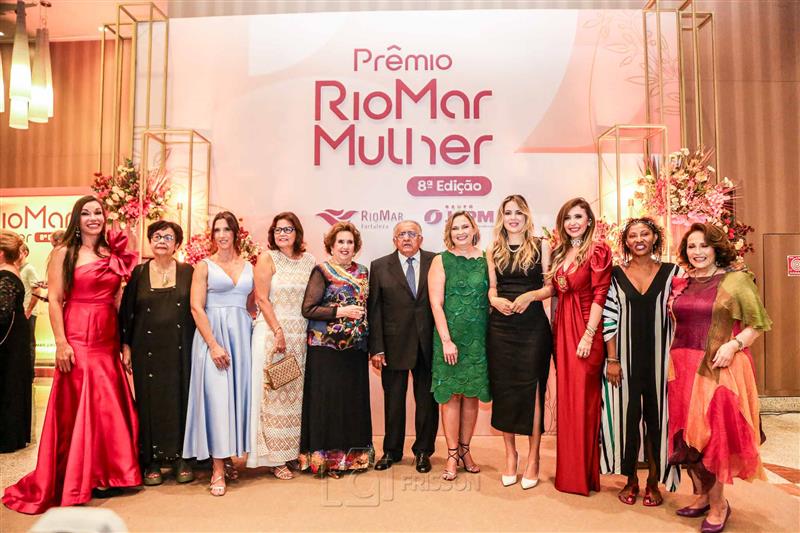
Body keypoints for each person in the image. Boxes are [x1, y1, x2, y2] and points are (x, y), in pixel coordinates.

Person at [3, 196, 141, 514]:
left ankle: (106, 473)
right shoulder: (64, 253)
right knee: (82, 402)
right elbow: (54, 299)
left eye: (98, 213)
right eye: (86, 213)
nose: (93, 218)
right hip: (79, 332)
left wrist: (124, 340)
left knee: (107, 403)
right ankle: (80, 474)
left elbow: (118, 297)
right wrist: (61, 342)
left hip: (107, 333)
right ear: (76, 220)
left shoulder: (111, 252)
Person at [667, 223, 771, 533]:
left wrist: (734, 344)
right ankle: (702, 497)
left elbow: (758, 323)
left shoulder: (736, 280)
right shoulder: (682, 282)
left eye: (704, 246)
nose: (697, 252)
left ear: (716, 248)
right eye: (691, 246)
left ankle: (718, 505)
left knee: (714, 436)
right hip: (681, 368)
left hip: (718, 367)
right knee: (688, 437)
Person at [600, 217, 681, 506]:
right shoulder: (615, 274)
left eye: (644, 233)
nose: (639, 240)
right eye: (632, 235)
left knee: (659, 421)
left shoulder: (673, 272)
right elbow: (609, 318)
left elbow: (683, 312)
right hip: (624, 361)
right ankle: (631, 480)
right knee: (627, 420)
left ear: (655, 237)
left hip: (662, 362)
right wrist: (612, 359)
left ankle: (654, 482)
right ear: (626, 242)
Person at [119, 220, 196, 486]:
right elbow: (127, 312)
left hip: (182, 346)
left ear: (177, 244)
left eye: (168, 237)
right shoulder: (139, 272)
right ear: (150, 241)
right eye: (157, 236)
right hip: (146, 348)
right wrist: (126, 345)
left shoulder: (188, 272)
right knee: (149, 401)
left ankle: (182, 458)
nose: (162, 241)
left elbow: (198, 308)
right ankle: (151, 460)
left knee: (182, 397)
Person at [183, 211, 254, 496]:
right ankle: (217, 469)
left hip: (241, 339)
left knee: (236, 399)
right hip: (211, 338)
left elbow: (253, 304)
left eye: (227, 229)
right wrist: (213, 344)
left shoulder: (250, 266)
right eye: (217, 230)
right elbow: (196, 307)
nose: (222, 235)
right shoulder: (204, 266)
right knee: (217, 401)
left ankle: (229, 458)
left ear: (236, 233)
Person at [486, 195, 553, 489]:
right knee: (505, 391)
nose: (513, 218)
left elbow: (551, 287)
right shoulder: (494, 249)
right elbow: (492, 288)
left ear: (527, 217)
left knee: (532, 391)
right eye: (508, 213)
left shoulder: (541, 245)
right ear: (502, 217)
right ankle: (510, 455)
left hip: (532, 329)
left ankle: (534, 457)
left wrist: (531, 296)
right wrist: (494, 300)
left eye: (518, 213)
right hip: (501, 328)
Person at [548, 197, 612, 496]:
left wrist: (588, 334)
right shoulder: (561, 251)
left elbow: (601, 294)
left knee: (582, 400)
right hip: (563, 327)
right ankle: (569, 474)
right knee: (567, 399)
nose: (572, 222)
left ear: (589, 221)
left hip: (585, 327)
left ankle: (582, 476)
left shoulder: (598, 251)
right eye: (567, 218)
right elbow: (555, 292)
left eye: (578, 217)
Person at [299, 221, 372, 477]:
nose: (345, 246)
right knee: (327, 403)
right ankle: (325, 460)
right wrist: (341, 311)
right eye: (340, 241)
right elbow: (308, 309)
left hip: (355, 349)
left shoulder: (363, 272)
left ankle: (350, 459)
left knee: (350, 402)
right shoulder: (322, 271)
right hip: (325, 348)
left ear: (356, 246)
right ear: (331, 245)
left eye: (349, 242)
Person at [246, 213, 315, 479]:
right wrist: (278, 332)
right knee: (274, 394)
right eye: (278, 230)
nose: (282, 234)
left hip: (300, 336)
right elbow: (262, 299)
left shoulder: (309, 261)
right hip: (273, 336)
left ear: (297, 233)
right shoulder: (267, 258)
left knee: (295, 397)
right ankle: (274, 458)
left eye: (288, 229)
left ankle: (290, 452)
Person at [369, 220, 438, 474]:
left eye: (412, 234)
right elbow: (374, 310)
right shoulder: (379, 266)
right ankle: (391, 451)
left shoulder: (436, 261)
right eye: (401, 235)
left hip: (428, 344)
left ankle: (423, 451)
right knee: (394, 401)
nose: (406, 238)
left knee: (427, 402)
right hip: (393, 345)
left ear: (420, 238)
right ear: (394, 240)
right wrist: (377, 348)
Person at [428, 211, 491, 481]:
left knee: (472, 395)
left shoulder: (487, 258)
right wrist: (446, 341)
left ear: (474, 229)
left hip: (479, 339)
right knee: (451, 396)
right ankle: (452, 454)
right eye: (456, 228)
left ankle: (466, 451)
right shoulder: (441, 260)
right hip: (449, 339)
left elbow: (493, 296)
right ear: (449, 232)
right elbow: (436, 304)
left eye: (465, 226)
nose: (461, 232)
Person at [0, 231, 33, 453]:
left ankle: (6, 437)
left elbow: (2, 312)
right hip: (15, 339)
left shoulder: (5, 276)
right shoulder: (12, 272)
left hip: (8, 342)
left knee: (7, 384)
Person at [17, 244, 41, 378]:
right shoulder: (15, 269)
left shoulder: (29, 269)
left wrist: (29, 310)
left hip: (28, 313)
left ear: (25, 253)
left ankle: (29, 374)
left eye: (18, 251)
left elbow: (37, 290)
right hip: (19, 313)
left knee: (29, 343)